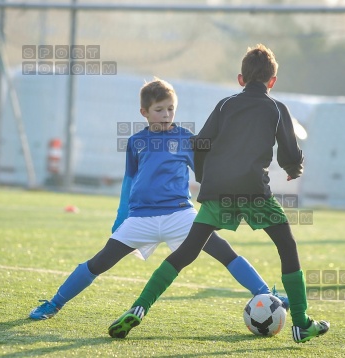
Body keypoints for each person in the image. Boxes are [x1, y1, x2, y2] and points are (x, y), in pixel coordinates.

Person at [108, 44, 329, 344]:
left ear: (240, 79)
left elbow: (200, 144)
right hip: (254, 192)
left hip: (218, 192)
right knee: (287, 245)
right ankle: (302, 323)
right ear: (273, 81)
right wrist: (294, 168)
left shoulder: (225, 105)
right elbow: (289, 152)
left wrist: (206, 180)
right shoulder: (277, 108)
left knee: (186, 252)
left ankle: (140, 307)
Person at [29, 78, 288, 321]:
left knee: (224, 252)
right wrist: (122, 215)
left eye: (171, 110)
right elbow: (129, 180)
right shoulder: (136, 142)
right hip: (141, 217)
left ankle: (267, 294)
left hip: (179, 215)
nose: (166, 116)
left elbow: (205, 173)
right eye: (159, 110)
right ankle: (54, 303)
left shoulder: (186, 139)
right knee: (100, 262)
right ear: (144, 112)